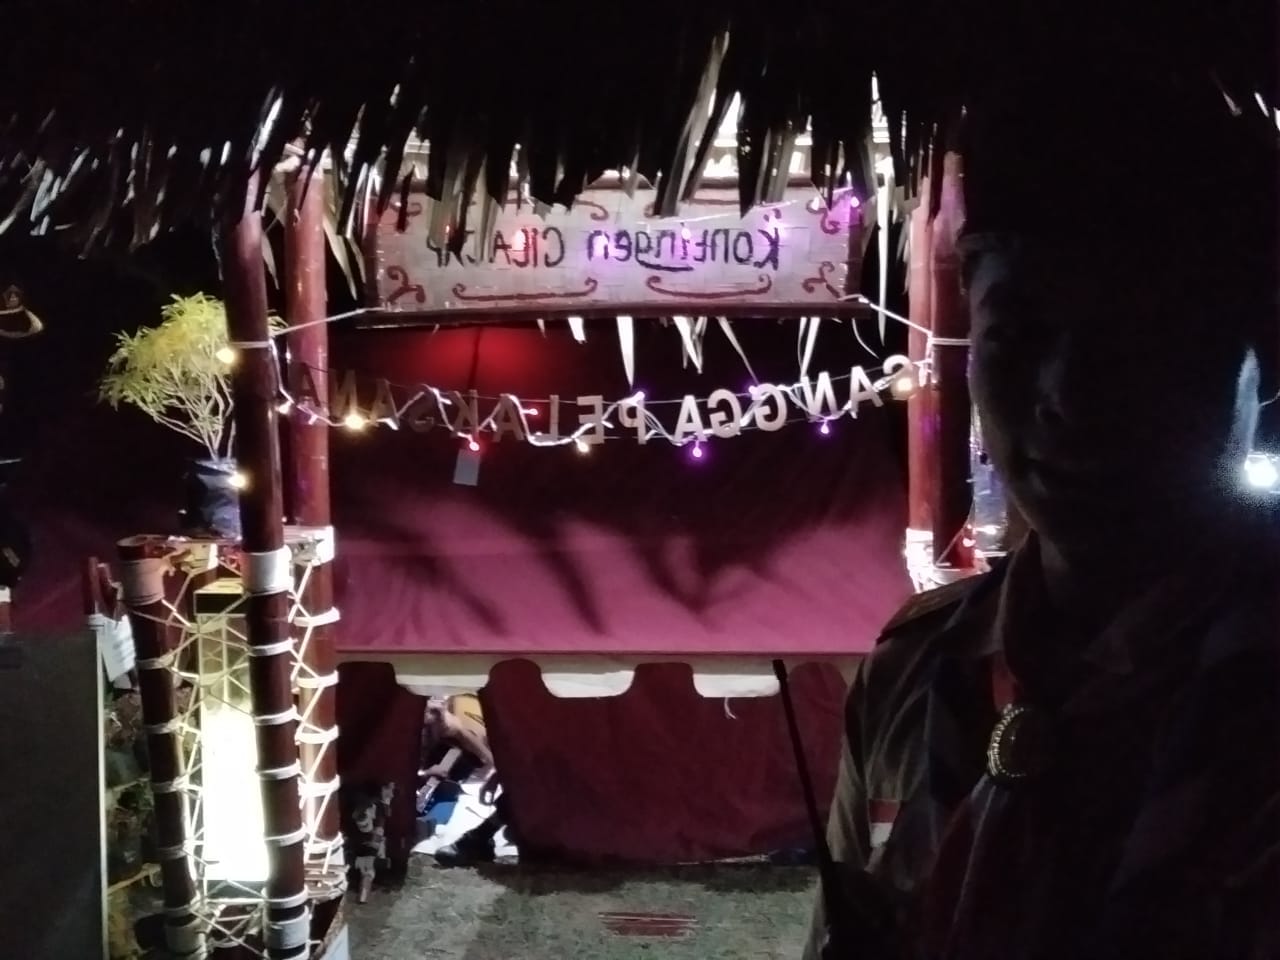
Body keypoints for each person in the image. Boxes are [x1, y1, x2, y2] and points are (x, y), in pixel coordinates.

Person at [804, 68, 1279, 959]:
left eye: (1137, 340)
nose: (1069, 395)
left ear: (1257, 356)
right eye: (1018, 335)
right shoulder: (917, 672)